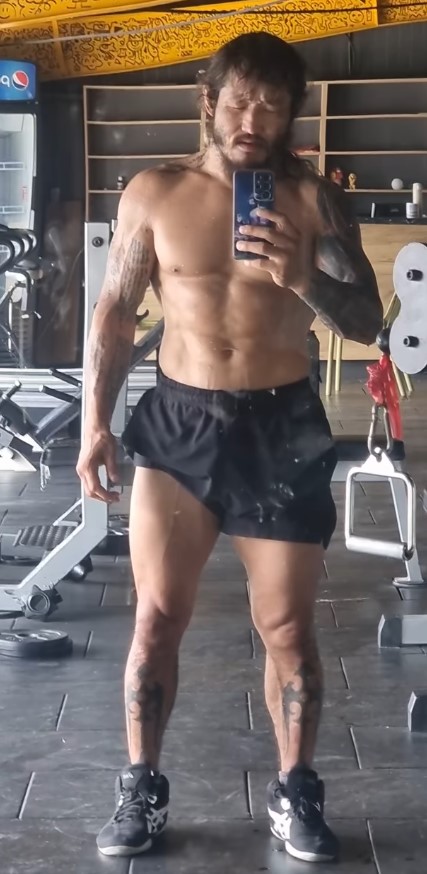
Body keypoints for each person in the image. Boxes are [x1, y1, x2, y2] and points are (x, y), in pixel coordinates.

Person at [77, 31, 383, 864]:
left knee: (285, 627)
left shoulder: (315, 202)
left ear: (290, 116)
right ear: (209, 103)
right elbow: (115, 312)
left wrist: (300, 277)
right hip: (179, 424)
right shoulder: (154, 192)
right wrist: (95, 422)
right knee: (155, 618)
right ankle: (140, 786)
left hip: (281, 429)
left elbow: (366, 323)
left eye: (272, 107)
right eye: (240, 102)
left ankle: (295, 790)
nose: (253, 121)